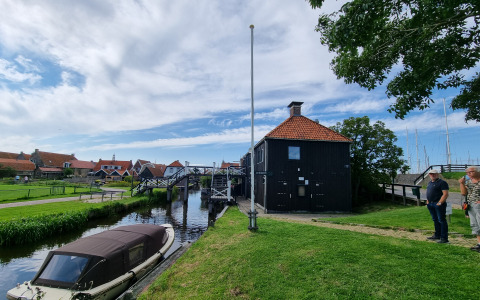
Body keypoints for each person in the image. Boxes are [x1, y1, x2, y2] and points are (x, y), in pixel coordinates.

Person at [426, 169, 450, 243]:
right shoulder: (430, 182)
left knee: (441, 220)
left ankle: (444, 238)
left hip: (438, 204)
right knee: (435, 220)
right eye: (431, 174)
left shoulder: (442, 183)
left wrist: (440, 203)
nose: (433, 175)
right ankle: (437, 235)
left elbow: (445, 194)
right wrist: (428, 201)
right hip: (431, 204)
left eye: (434, 174)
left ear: (437, 174)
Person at [459, 166, 480, 251]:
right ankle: (479, 244)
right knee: (475, 225)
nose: (468, 174)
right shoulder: (469, 182)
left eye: (470, 172)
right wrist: (462, 184)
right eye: (467, 172)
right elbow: (464, 193)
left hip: (478, 205)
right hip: (471, 205)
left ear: (477, 171)